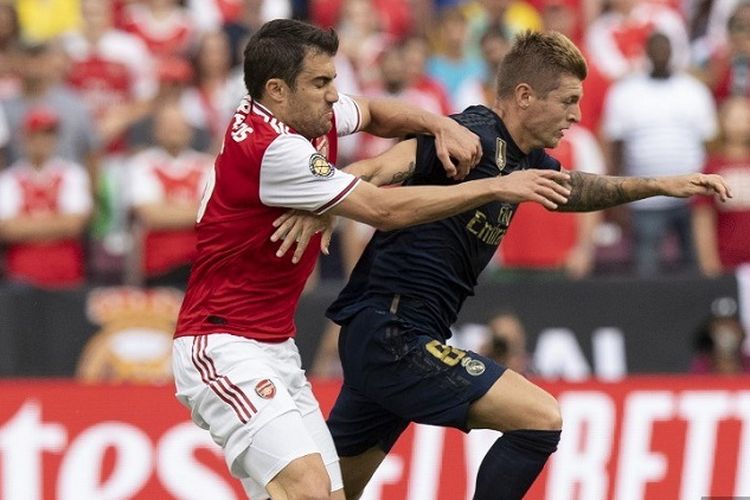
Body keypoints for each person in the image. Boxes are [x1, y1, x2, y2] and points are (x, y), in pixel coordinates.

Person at [279, 30, 730, 499]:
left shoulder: (524, 158)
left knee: (324, 496)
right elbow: (380, 170)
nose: (577, 115)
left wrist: (660, 184)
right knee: (540, 419)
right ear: (524, 96)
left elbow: (574, 190)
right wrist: (324, 202)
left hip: (396, 334)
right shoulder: (471, 135)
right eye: (568, 101)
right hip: (391, 333)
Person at [171, 19, 573, 500]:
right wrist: (496, 185)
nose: (333, 94)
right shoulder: (273, 149)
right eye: (321, 83)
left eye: (333, 79)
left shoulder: (296, 113)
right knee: (309, 489)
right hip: (220, 342)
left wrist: (439, 122)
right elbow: (384, 209)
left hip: (274, 347)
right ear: (277, 90)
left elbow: (375, 113)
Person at [601, 31, 718, 276]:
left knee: (696, 267)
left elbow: (710, 144)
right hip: (645, 196)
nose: (661, 54)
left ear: (673, 52)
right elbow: (616, 148)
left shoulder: (693, 90)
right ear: (647, 53)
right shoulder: (626, 91)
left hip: (691, 195)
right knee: (646, 271)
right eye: (656, 49)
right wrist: (617, 198)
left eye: (665, 48)